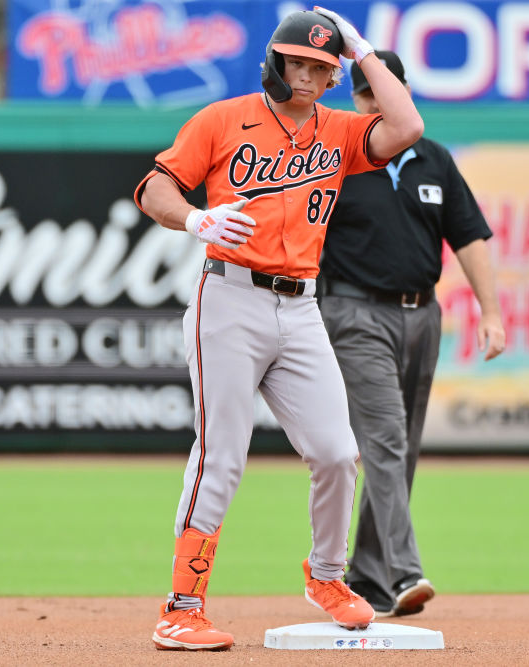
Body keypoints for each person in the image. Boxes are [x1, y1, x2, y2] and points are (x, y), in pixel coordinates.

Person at [133, 8, 423, 652]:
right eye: (299, 62)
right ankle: (182, 607)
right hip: (229, 298)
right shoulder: (222, 119)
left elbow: (407, 127)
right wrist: (194, 219)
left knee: (336, 451)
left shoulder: (339, 130)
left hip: (301, 306)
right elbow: (154, 188)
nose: (310, 76)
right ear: (275, 62)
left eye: (322, 66)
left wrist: (362, 51)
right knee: (221, 455)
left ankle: (327, 577)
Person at [318, 51, 506, 617]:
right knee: (385, 441)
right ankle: (404, 571)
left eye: (389, 89)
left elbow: (468, 236)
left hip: (422, 314)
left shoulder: (434, 160)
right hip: (354, 312)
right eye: (369, 92)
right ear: (357, 99)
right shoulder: (335, 159)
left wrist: (491, 312)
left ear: (404, 91)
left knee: (401, 449)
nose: (379, 100)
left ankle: (369, 579)